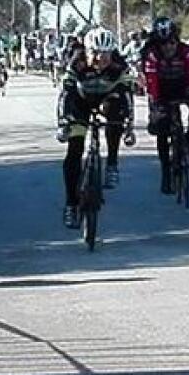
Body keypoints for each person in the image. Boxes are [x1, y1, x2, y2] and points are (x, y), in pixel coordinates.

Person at [56, 28, 136, 228]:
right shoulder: (77, 62)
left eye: (106, 54)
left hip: (107, 100)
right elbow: (65, 95)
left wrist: (129, 125)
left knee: (116, 112)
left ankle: (112, 163)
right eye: (96, 53)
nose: (101, 59)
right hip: (81, 102)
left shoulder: (119, 65)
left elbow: (128, 96)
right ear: (87, 51)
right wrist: (64, 121)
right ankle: (71, 205)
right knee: (75, 150)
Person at [144, 17, 189, 195]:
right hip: (161, 89)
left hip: (183, 85)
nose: (168, 47)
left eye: (172, 43)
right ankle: (166, 172)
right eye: (164, 44)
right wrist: (156, 104)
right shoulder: (152, 54)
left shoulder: (187, 52)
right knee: (161, 127)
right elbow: (152, 82)